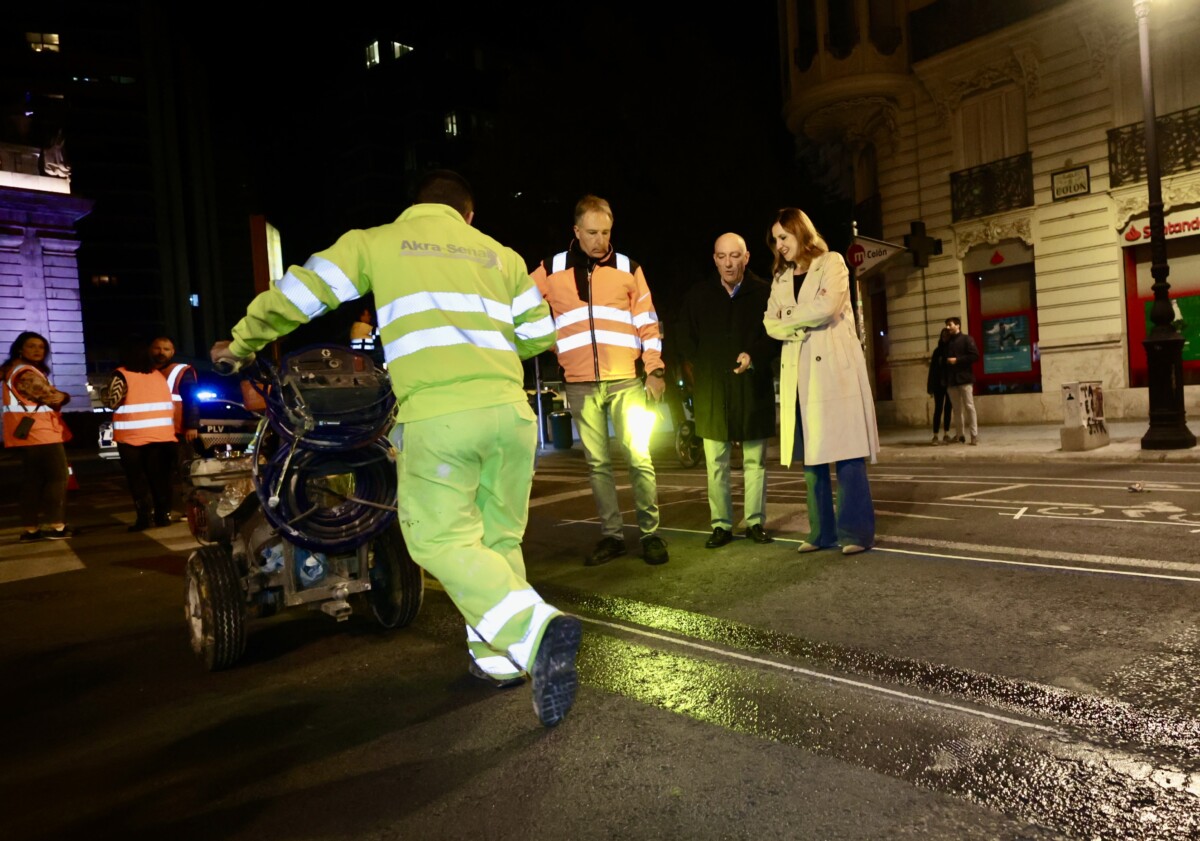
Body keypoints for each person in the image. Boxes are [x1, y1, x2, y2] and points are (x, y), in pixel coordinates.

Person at [210, 170, 583, 728]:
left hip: (439, 418)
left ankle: (531, 630)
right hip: (509, 417)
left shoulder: (376, 241)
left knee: (436, 538)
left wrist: (241, 342)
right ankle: (500, 659)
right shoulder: (501, 256)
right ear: (469, 216)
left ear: (417, 209)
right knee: (496, 539)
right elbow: (537, 335)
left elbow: (299, 294)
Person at [531, 195, 669, 567]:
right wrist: (547, 344)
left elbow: (648, 322)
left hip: (625, 378)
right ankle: (612, 537)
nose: (600, 241)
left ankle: (650, 534)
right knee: (598, 464)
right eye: (592, 233)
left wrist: (654, 369)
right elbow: (521, 305)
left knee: (639, 457)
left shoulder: (628, 268)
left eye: (606, 232)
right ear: (576, 231)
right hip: (578, 381)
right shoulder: (550, 268)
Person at [763, 208, 879, 555]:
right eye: (775, 239)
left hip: (834, 371)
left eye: (784, 236)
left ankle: (855, 533)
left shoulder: (832, 263)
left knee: (846, 454)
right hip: (800, 373)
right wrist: (795, 319)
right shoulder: (782, 278)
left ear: (801, 231)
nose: (779, 244)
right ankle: (820, 533)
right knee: (811, 457)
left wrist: (790, 320)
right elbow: (769, 323)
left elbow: (827, 307)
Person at [674, 232, 778, 549]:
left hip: (752, 387)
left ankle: (755, 522)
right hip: (712, 390)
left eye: (735, 256)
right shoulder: (699, 295)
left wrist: (754, 356)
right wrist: (702, 368)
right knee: (715, 462)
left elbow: (774, 335)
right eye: (722, 256)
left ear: (746, 258)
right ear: (715, 259)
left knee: (754, 461)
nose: (728, 263)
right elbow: (684, 338)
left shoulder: (764, 292)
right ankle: (721, 525)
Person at [2, 331, 72, 541]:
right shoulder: (25, 372)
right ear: (20, 349)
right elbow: (52, 397)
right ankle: (56, 526)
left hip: (27, 434)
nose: (37, 350)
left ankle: (30, 528)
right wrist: (65, 396)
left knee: (32, 482)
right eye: (31, 346)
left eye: (41, 347)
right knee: (58, 478)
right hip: (41, 434)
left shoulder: (12, 370)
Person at [106, 342, 178, 531]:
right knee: (159, 478)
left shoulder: (121, 374)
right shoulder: (157, 375)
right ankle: (163, 515)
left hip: (132, 438)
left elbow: (112, 401)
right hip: (161, 436)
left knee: (137, 479)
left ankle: (144, 518)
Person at [150, 335, 198, 517]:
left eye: (166, 349)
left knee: (185, 471)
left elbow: (191, 399)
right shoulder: (146, 372)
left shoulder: (180, 370)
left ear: (173, 352)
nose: (161, 352)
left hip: (179, 431)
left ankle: (191, 510)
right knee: (160, 474)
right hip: (156, 432)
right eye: (157, 348)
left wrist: (192, 425)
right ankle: (164, 510)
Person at [944, 316, 980, 445]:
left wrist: (957, 360)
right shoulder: (947, 342)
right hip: (952, 380)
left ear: (958, 325)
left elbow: (975, 356)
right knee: (956, 409)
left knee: (969, 407)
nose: (948, 327)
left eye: (950, 325)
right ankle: (960, 435)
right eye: (947, 325)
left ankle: (974, 435)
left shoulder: (966, 339)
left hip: (965, 378)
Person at [927, 327, 953, 445]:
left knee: (948, 408)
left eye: (946, 336)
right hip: (938, 384)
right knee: (938, 409)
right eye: (943, 336)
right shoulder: (937, 351)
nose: (944, 338)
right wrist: (930, 387)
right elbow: (932, 369)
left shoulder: (952, 350)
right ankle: (935, 434)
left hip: (950, 383)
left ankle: (946, 433)